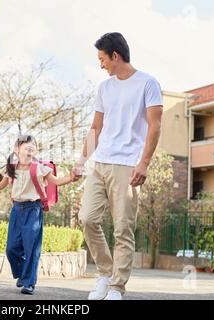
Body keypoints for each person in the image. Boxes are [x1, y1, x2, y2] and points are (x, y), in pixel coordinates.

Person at [73, 32, 163, 300]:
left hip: (127, 165)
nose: (100, 65)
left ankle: (116, 287)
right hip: (100, 162)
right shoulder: (105, 88)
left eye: (102, 59)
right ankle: (104, 273)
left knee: (123, 228)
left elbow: (155, 126)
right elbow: (96, 127)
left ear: (116, 55)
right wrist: (81, 160)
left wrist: (144, 163)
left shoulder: (148, 84)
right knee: (87, 218)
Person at [0, 134, 80, 295]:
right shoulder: (11, 168)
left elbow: (57, 181)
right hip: (16, 209)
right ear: (17, 150)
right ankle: (23, 274)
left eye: (32, 148)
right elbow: (1, 185)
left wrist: (71, 178)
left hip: (33, 210)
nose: (30, 151)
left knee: (31, 248)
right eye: (27, 148)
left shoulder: (40, 168)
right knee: (11, 248)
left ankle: (29, 282)